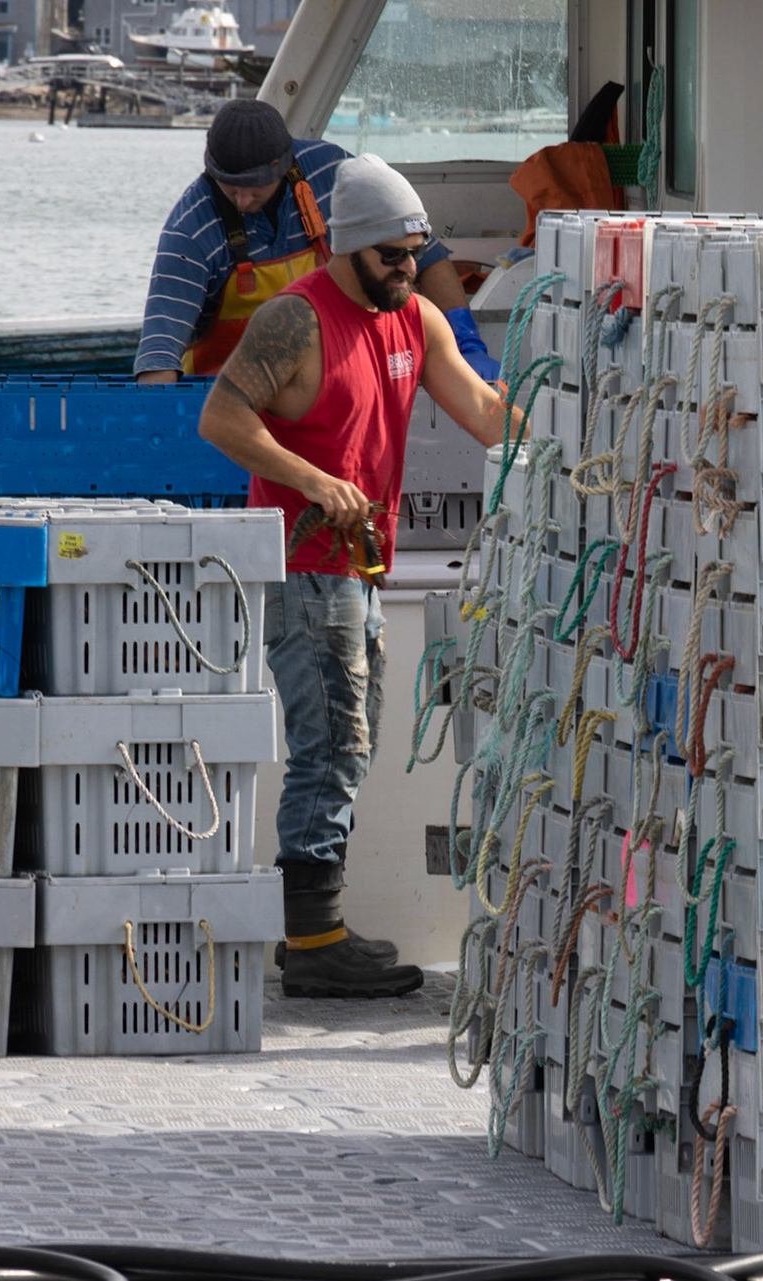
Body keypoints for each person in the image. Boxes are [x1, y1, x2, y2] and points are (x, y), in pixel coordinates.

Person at [198, 155, 511, 999]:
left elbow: (485, 414)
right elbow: (220, 416)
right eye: (394, 257)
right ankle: (311, 940)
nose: (410, 270)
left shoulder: (414, 318)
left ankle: (318, 927)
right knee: (330, 743)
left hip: (360, 568)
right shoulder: (294, 321)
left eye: (416, 253)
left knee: (351, 737)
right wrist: (311, 478)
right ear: (352, 248)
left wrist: (564, 421)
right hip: (306, 567)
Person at [136, 99, 500, 384]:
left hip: (331, 391)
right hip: (227, 404)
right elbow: (158, 357)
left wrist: (467, 343)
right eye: (230, 189)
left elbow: (426, 254)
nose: (243, 201)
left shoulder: (333, 173)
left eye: (254, 187)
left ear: (283, 164)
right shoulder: (189, 232)